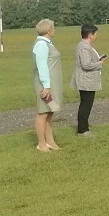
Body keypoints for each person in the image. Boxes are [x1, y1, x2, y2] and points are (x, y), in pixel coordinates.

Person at [70, 23, 107, 135]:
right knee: (86, 105)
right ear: (90, 35)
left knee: (86, 104)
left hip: (87, 80)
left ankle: (84, 127)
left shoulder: (85, 46)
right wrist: (99, 63)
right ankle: (82, 130)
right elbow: (86, 65)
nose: (96, 36)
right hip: (86, 81)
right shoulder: (84, 47)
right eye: (95, 34)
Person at [32, 19, 62, 152]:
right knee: (43, 112)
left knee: (50, 112)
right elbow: (42, 66)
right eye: (53, 28)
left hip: (51, 84)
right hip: (45, 85)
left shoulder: (47, 43)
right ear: (48, 31)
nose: (54, 30)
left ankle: (50, 141)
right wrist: (46, 86)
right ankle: (41, 143)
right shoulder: (41, 45)